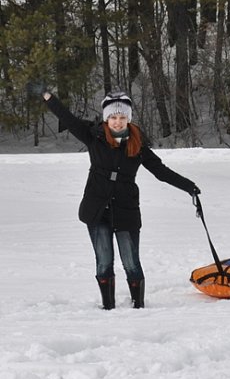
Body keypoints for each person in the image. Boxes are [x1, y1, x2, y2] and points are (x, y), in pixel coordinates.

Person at [26, 82, 200, 310]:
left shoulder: (138, 145)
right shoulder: (93, 136)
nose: (117, 121)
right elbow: (67, 118)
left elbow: (161, 171)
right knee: (104, 261)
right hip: (97, 210)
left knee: (131, 262)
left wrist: (190, 187)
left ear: (128, 118)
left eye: (122, 117)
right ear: (106, 119)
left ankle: (138, 306)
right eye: (113, 117)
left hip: (126, 210)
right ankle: (108, 307)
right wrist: (48, 96)